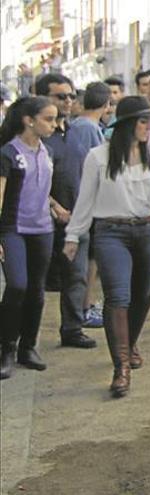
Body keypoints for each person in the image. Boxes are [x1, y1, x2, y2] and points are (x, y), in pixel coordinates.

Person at [62, 96, 150, 397]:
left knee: (143, 294)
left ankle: (131, 342)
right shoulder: (98, 157)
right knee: (118, 296)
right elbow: (84, 200)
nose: (149, 127)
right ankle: (121, 366)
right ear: (126, 125)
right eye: (143, 121)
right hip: (110, 232)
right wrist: (73, 236)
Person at [35, 74, 98, 348]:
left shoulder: (75, 132)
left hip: (76, 220)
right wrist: (54, 206)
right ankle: (21, 343)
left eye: (72, 96)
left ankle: (72, 330)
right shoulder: (32, 137)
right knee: (31, 287)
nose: (69, 101)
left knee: (76, 278)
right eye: (61, 96)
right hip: (38, 223)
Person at [0, 96, 58, 379]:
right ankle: (6, 347)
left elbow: (40, 186)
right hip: (14, 228)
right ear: (29, 120)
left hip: (43, 228)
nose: (53, 125)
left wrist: (56, 206)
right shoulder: (9, 153)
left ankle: (28, 346)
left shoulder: (45, 151)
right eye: (48, 119)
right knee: (17, 286)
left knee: (37, 290)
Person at [66, 82, 113, 331]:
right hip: (87, 204)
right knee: (88, 261)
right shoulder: (87, 129)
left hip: (85, 202)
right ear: (106, 105)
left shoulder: (82, 126)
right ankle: (87, 306)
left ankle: (87, 305)